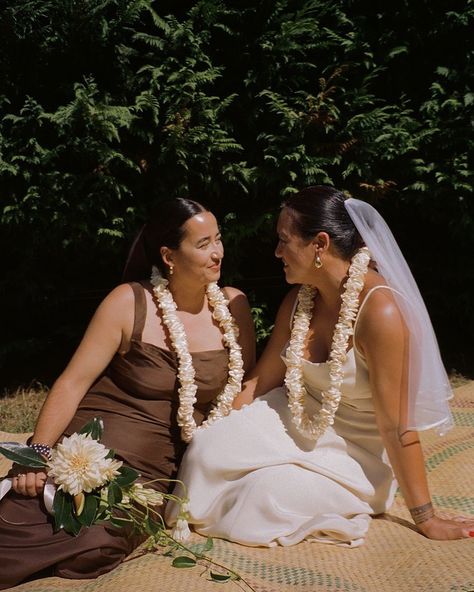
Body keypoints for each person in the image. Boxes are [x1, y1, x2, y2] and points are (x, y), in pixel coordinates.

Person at [167, 186, 474, 546]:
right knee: (207, 452)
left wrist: (428, 518)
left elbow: (396, 426)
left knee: (265, 495)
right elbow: (262, 380)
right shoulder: (300, 298)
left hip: (354, 449)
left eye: (284, 240)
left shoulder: (381, 312)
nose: (277, 252)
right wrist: (215, 425)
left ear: (320, 244)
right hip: (291, 415)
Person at [0, 198, 255, 589]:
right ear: (169, 255)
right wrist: (36, 454)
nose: (218, 252)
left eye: (218, 239)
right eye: (203, 244)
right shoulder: (129, 301)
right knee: (24, 520)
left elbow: (243, 389)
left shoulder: (233, 306)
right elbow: (73, 381)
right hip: (90, 448)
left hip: (156, 471)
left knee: (97, 540)